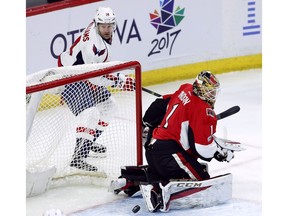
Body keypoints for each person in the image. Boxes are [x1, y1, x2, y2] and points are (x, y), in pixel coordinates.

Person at [141, 70, 234, 211]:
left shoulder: (185, 88)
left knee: (197, 168)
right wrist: (220, 152)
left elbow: (161, 102)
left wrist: (146, 122)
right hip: (169, 157)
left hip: (152, 150)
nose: (213, 96)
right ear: (201, 89)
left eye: (214, 92)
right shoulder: (204, 112)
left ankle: (155, 177)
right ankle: (158, 192)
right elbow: (203, 149)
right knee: (202, 180)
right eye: (210, 92)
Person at [57, 6, 135, 171]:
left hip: (83, 75)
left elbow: (96, 73)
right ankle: (78, 158)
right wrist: (120, 82)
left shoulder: (96, 28)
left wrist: (118, 79)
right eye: (103, 27)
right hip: (68, 77)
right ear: (97, 24)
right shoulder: (95, 46)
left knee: (109, 106)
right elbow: (96, 77)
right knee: (90, 113)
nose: (107, 30)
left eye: (109, 26)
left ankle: (87, 142)